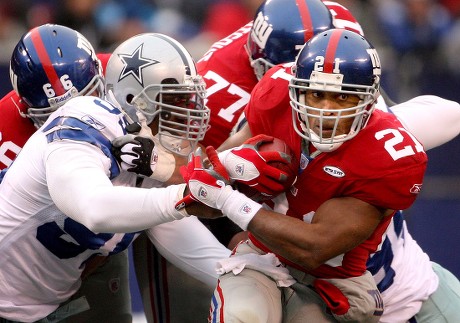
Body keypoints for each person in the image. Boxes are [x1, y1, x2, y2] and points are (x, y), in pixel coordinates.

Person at [178, 29, 428, 322]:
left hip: (333, 281)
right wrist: (226, 169)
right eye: (317, 94)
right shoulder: (276, 95)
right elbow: (200, 195)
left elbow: (315, 248)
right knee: (241, 316)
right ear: (297, 89)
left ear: (370, 100)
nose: (326, 110)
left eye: (343, 97)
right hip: (261, 254)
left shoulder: (388, 156)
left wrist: (229, 200)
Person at [0, 28, 220, 322]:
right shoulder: (77, 119)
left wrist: (237, 269)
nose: (184, 117)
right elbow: (96, 208)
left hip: (58, 284)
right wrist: (181, 196)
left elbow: (170, 225)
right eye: (173, 106)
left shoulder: (131, 126)